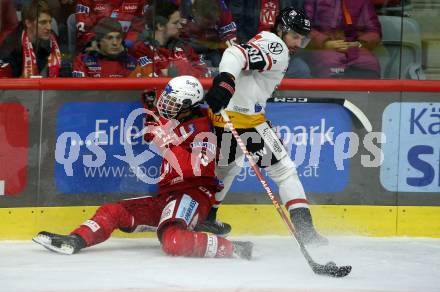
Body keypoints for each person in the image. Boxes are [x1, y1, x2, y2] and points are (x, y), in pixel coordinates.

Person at [33, 75, 253, 260]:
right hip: (167, 197)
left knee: (173, 240)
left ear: (189, 106)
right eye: (166, 99)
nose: (165, 104)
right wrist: (150, 110)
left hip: (193, 195)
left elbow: (195, 169)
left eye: (172, 102)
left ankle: (233, 248)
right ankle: (75, 240)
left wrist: (164, 139)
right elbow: (153, 133)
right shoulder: (178, 120)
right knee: (113, 210)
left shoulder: (204, 130)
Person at [201, 7, 327, 245]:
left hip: (223, 117)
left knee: (226, 169)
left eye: (304, 38)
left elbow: (237, 56)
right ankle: (305, 230)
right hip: (248, 122)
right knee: (285, 171)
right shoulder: (276, 46)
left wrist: (226, 84)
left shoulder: (266, 40)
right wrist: (226, 81)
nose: (299, 43)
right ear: (281, 29)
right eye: (295, 36)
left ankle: (206, 217)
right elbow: (236, 54)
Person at [229, 0, 311, 78]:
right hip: (252, 50)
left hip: (282, 53)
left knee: (301, 69)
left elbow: (300, 27)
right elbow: (234, 26)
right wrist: (252, 51)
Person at [303, 0, 382, 78]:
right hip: (320, 48)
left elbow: (373, 30)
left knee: (370, 63)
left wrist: (359, 43)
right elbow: (303, 27)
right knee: (330, 64)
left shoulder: (362, 1)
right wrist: (325, 43)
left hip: (354, 48)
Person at [129, 1, 207, 78]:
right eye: (175, 23)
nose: (180, 26)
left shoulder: (183, 46)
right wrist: (185, 70)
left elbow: (203, 70)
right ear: (160, 26)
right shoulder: (141, 49)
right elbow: (149, 77)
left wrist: (172, 73)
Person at [72, 17, 153, 78]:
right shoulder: (83, 61)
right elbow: (81, 95)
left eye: (118, 38)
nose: (115, 43)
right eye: (109, 38)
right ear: (99, 40)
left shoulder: (133, 63)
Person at [0, 0, 62, 78]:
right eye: (43, 22)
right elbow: (4, 80)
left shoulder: (52, 39)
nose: (49, 27)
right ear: (28, 23)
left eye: (50, 22)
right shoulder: (11, 45)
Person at [74, 0, 148, 53]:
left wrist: (128, 42)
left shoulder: (139, 2)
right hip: (96, 49)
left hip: (127, 49)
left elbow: (138, 26)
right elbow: (83, 29)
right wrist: (98, 43)